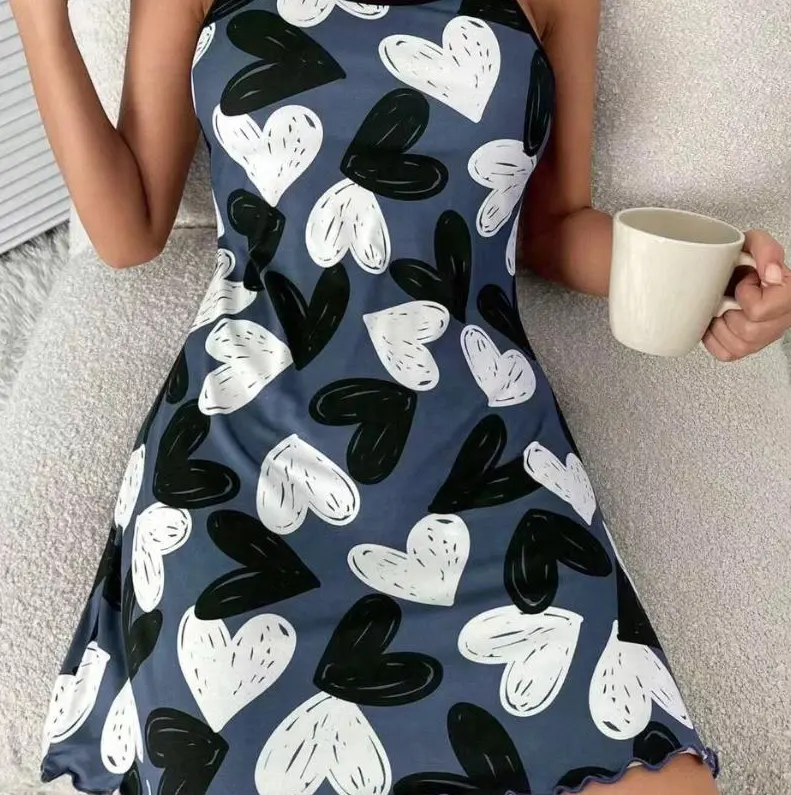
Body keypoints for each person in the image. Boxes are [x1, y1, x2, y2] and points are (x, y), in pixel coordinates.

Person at [12, 0, 790, 793]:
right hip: (246, 449)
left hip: (478, 451)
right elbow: (129, 228)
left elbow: (553, 225)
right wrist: (39, 20)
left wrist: (711, 281)